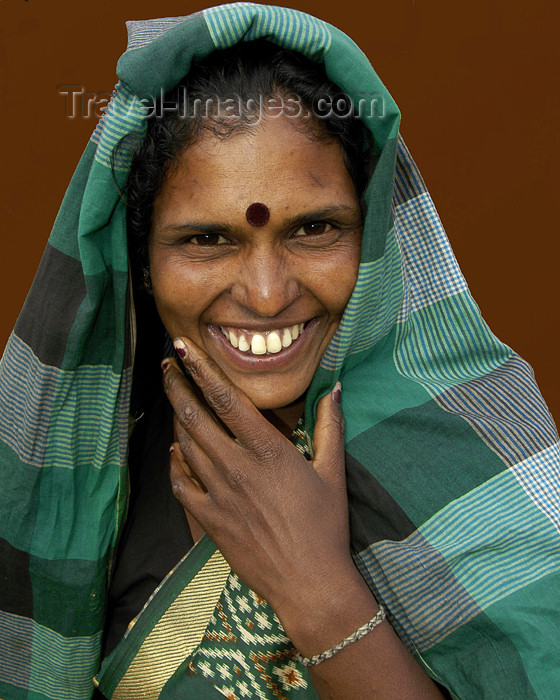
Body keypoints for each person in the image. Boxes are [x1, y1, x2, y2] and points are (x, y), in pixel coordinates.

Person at [0, 4, 558, 700]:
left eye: (315, 228)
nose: (266, 296)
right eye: (207, 239)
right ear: (140, 258)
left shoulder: (475, 461)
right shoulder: (67, 479)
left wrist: (315, 590)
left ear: (377, 233)